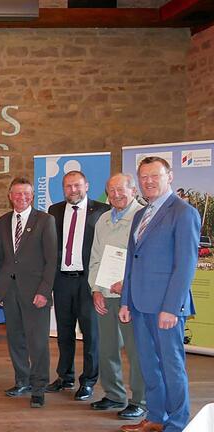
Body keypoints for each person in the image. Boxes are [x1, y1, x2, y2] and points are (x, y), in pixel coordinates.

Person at [119, 157, 200, 432]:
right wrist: (126, 300)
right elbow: (133, 259)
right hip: (140, 304)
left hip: (166, 308)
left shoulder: (183, 212)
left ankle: (177, 423)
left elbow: (186, 265)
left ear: (170, 176)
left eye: (155, 175)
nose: (149, 181)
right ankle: (155, 418)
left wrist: (171, 307)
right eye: (144, 177)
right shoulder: (141, 214)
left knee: (171, 367)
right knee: (148, 366)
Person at [0, 177, 57, 408]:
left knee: (38, 342)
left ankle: (39, 387)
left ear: (32, 196)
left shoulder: (45, 220)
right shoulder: (1, 222)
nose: (22, 198)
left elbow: (51, 261)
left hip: (35, 294)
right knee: (16, 339)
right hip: (10, 293)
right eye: (17, 194)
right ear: (10, 196)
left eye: (26, 194)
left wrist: (44, 291)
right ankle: (22, 380)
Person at [46, 171, 109, 400]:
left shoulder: (102, 211)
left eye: (77, 185)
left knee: (91, 334)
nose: (73, 190)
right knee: (64, 333)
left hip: (88, 281)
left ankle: (89, 381)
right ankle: (65, 376)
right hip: (62, 280)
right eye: (68, 186)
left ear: (87, 185)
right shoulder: (55, 211)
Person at [88, 174, 146, 420]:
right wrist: (96, 290)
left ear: (133, 190)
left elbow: (144, 259)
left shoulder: (143, 217)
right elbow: (95, 257)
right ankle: (114, 394)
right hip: (105, 294)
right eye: (111, 191)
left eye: (121, 190)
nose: (116, 195)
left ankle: (140, 400)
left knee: (135, 350)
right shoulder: (103, 219)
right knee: (107, 348)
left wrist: (128, 285)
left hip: (131, 296)